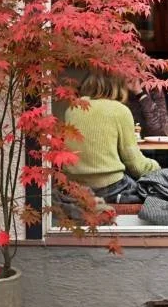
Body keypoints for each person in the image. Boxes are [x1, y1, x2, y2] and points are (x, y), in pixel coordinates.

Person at [64, 68, 161, 205]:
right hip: (110, 188)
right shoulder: (120, 110)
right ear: (119, 84)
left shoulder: (72, 108)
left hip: (75, 188)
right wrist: (157, 167)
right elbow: (135, 165)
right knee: (158, 191)